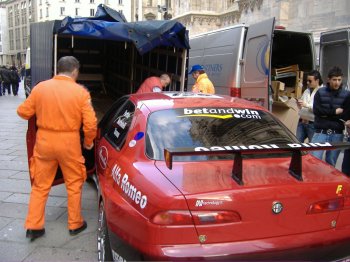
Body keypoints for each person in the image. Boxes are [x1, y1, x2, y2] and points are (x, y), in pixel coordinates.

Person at [17, 56, 97, 240]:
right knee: (74, 183)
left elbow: (23, 112)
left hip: (44, 141)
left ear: (57, 69)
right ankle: (75, 224)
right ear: (75, 71)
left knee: (40, 185)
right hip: (69, 143)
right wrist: (88, 142)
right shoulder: (81, 92)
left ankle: (34, 226)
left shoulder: (41, 88)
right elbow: (91, 124)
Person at [311, 66, 349, 166]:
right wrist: (334, 112)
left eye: (339, 80)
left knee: (331, 165)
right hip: (320, 132)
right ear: (329, 79)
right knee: (313, 162)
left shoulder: (346, 95)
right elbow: (317, 111)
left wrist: (325, 114)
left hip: (337, 134)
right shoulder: (320, 92)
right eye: (334, 80)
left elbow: (345, 115)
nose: (337, 82)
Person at [296, 70, 323, 142]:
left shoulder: (322, 92)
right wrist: (299, 104)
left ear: (317, 81)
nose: (307, 83)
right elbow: (302, 105)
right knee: (297, 146)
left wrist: (306, 105)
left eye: (310, 81)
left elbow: (320, 109)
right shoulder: (307, 91)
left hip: (313, 124)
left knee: (313, 149)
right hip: (302, 122)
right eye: (307, 81)